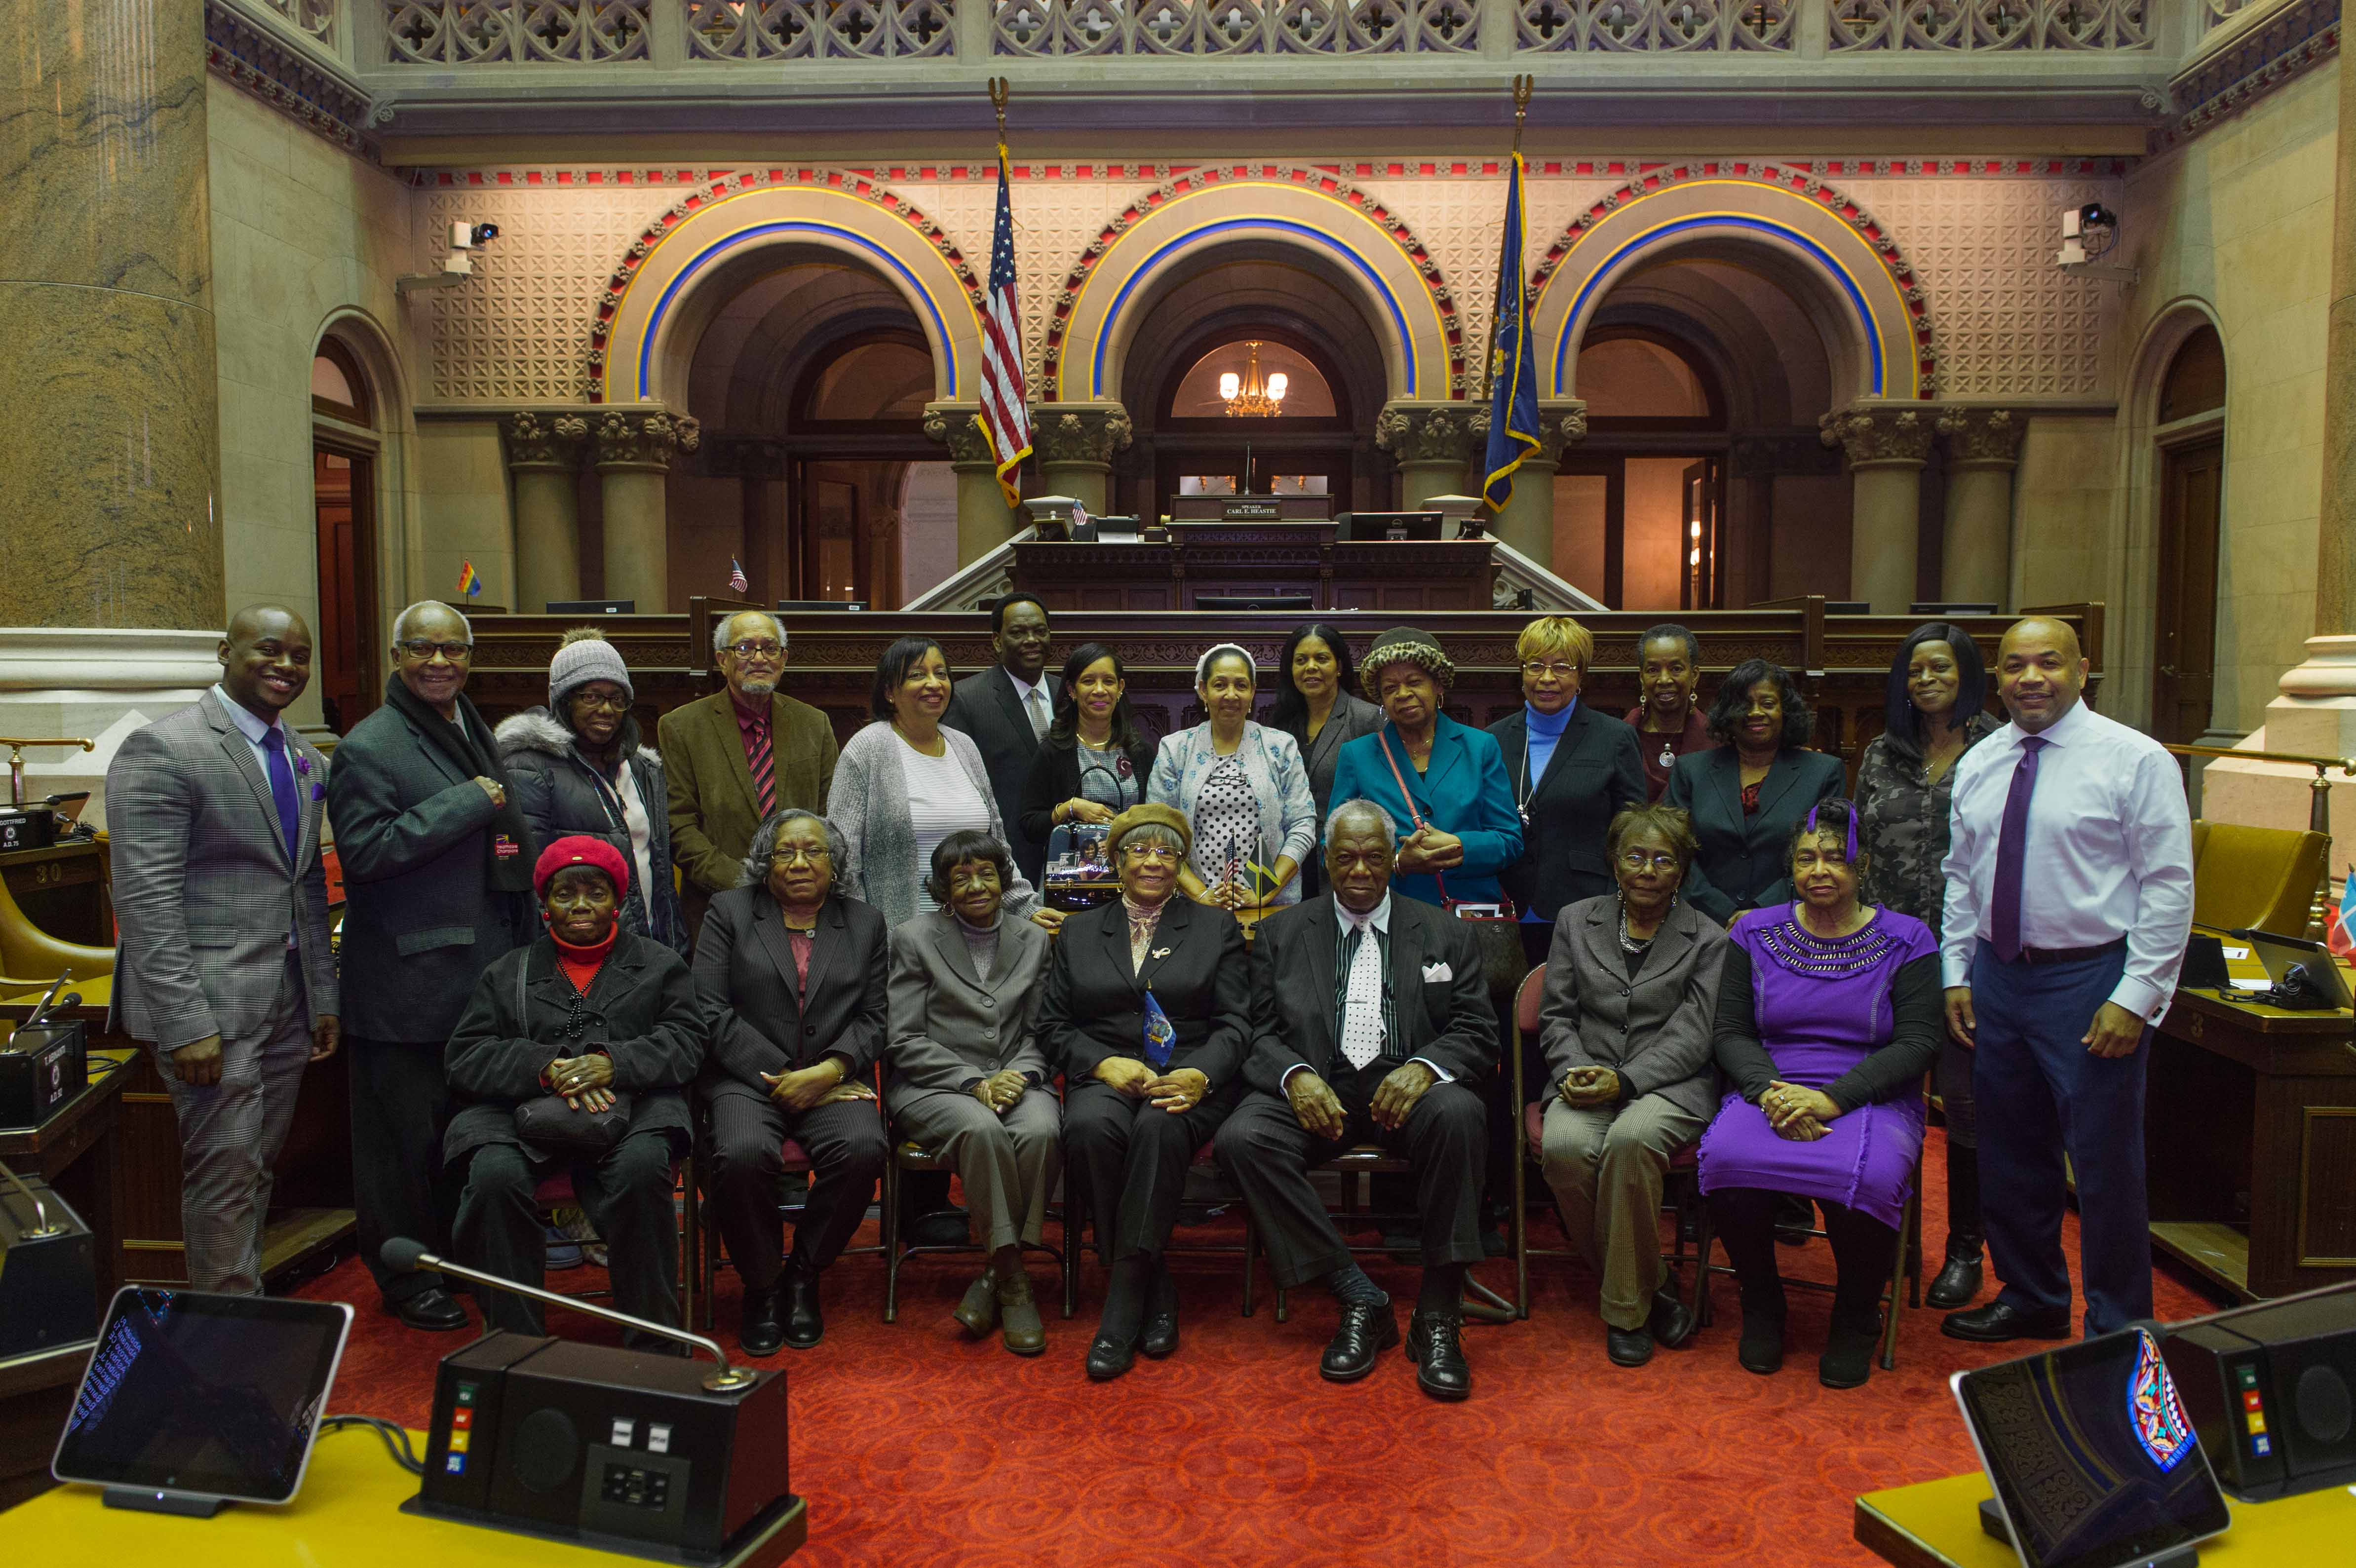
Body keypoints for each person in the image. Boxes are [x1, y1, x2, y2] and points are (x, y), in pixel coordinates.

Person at [1939, 617, 2193, 1343]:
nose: (2030, 678)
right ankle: (2034, 1295)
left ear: (2084, 670)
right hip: (1997, 976)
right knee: (2011, 1149)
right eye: (2014, 666)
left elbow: (2169, 887)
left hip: (2089, 980)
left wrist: (2135, 997)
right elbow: (1961, 875)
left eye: (2048, 663)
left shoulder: (2135, 761)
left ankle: (2117, 1323)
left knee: (2105, 1162)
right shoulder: (1984, 759)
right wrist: (1957, 971)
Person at [1216, 800, 1496, 1401]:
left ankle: (1439, 1313)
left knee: (1463, 1115)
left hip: (1410, 1091)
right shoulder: (1280, 933)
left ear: (1395, 860)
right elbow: (1254, 1031)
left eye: (1374, 856)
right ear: (1326, 861)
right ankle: (1358, 1294)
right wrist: (1293, 1075)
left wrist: (1426, 1067)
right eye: (1346, 858)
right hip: (1318, 1088)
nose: (1361, 870)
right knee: (1243, 1138)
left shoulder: (1445, 930)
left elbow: (1478, 1031)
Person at [106, 605, 340, 1294]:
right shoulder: (166, 748)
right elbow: (145, 901)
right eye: (269, 650)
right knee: (226, 1173)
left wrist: (322, 996)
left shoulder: (302, 756)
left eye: (300, 655)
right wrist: (186, 1024)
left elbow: (308, 889)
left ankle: (239, 1316)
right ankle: (226, 1347)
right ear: (224, 651)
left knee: (253, 1169)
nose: (287, 667)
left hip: (287, 1003)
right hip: (210, 1012)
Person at [327, 600, 537, 1332]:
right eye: (423, 648)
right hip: (406, 985)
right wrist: (468, 803)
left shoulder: (463, 722)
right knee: (400, 1151)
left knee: (457, 1135)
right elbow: (366, 852)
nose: (440, 662)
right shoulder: (368, 746)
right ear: (396, 655)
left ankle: (451, 1261)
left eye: (454, 650)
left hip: (476, 972)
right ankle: (405, 1276)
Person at [1699, 799, 1942, 1388]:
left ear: (1862, 869)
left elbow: (1918, 1043)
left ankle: (1856, 1314)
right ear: (1791, 867)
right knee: (1726, 1157)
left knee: (1876, 1174)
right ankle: (1763, 1301)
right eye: (1807, 858)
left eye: (1837, 857)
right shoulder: (1754, 932)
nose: (1820, 871)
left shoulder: (1909, 939)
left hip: (1873, 1094)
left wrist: (1832, 1100)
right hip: (1771, 1088)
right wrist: (1770, 1095)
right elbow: (1730, 1032)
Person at [444, 838, 704, 1346]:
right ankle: (513, 1342)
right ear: (545, 906)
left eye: (595, 892)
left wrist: (612, 1064)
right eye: (566, 893)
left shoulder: (660, 964)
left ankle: (653, 1343)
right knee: (493, 1177)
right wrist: (547, 1067)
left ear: (618, 902)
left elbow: (688, 1042)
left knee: (641, 1169)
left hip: (635, 1110)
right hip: (519, 1112)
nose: (581, 905)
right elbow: (465, 1056)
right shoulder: (507, 972)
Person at [1037, 803, 1250, 1381]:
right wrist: (1101, 1064)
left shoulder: (1215, 927)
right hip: (1108, 1073)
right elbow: (1053, 1026)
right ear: (1116, 860)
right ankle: (1155, 1284)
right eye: (1139, 850)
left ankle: (1123, 1300)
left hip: (1187, 1074)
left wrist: (1201, 1075)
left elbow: (1237, 1023)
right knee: (1086, 1129)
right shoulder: (1079, 930)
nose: (1153, 862)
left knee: (1158, 1126)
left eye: (1167, 853)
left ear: (1181, 864)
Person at [1536, 802, 1729, 1368]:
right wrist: (1574, 1069)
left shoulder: (1709, 939)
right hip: (1584, 1075)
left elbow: (1695, 1037)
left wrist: (1625, 1082)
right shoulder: (1576, 920)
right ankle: (1659, 1281)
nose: (1647, 869)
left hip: (1671, 1087)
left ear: (1682, 870)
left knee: (1629, 1142)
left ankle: (1625, 1308)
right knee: (1564, 1148)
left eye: (1663, 859)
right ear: (1614, 863)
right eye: (1635, 856)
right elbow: (1555, 1015)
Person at [695, 809, 890, 1355]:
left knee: (863, 1149)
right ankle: (761, 1285)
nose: (801, 862)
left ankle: (804, 1273)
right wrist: (786, 1076)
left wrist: (830, 1070)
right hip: (745, 1076)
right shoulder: (729, 912)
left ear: (836, 863)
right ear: (765, 860)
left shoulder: (865, 922)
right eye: (786, 852)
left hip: (832, 1075)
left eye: (815, 851)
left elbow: (876, 1017)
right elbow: (708, 1011)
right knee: (739, 1154)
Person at [1853, 622, 2002, 1310]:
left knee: (1966, 1105)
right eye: (1914, 670)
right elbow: (1862, 851)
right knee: (1887, 1095)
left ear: (1968, 673)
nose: (1926, 680)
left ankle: (1965, 1249)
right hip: (1890, 956)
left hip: (1973, 957)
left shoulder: (2002, 749)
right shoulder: (1882, 753)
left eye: (1940, 667)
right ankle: (1888, 1241)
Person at [884, 831, 1059, 1355]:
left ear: (1003, 879)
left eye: (986, 874)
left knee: (1044, 1130)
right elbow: (903, 1038)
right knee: (983, 1130)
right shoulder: (913, 938)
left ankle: (992, 1275)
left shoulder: (1034, 939)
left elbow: (1041, 1031)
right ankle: (1015, 1282)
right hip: (934, 1084)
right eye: (960, 878)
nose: (976, 886)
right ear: (943, 888)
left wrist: (1019, 1076)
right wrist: (974, 1083)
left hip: (1017, 1076)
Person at [829, 636, 1054, 930]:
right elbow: (841, 856)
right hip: (898, 936)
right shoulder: (868, 748)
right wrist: (862, 935)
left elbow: (997, 846)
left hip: (976, 931)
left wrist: (1025, 906)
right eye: (917, 675)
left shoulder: (963, 746)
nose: (934, 683)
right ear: (889, 691)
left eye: (942, 674)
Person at [497, 627, 688, 955]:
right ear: (564, 701)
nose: (606, 709)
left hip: (650, 950)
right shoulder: (530, 767)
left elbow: (659, 872)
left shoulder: (643, 769)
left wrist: (673, 946)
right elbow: (528, 882)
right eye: (591, 696)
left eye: (617, 699)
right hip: (575, 956)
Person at [661, 610, 839, 926]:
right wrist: (745, 880)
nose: (759, 658)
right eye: (744, 648)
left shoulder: (815, 724)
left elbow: (830, 816)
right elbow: (680, 826)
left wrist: (802, 876)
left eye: (770, 648)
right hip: (719, 908)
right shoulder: (681, 727)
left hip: (804, 906)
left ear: (783, 659)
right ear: (722, 660)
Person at [1328, 626, 1523, 912]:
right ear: (1381, 699)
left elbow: (1510, 841)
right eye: (1391, 688)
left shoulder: (1481, 747)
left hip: (1469, 912)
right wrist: (1396, 864)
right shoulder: (1357, 755)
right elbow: (1331, 846)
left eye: (1414, 682)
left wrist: (1458, 845)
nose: (1403, 694)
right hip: (1389, 912)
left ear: (1438, 686)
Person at [1489, 614, 1647, 967]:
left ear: (1581, 675)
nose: (1547, 678)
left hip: (1584, 905)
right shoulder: (1493, 738)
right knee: (1506, 1015)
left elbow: (1632, 828)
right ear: (1521, 673)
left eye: (1561, 666)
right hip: (1505, 905)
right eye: (1535, 666)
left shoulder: (1614, 737)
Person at [1664, 659, 1845, 925]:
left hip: (1793, 922)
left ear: (1786, 711)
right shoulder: (1691, 770)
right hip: (1701, 922)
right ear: (1728, 712)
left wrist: (1762, 912)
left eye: (1768, 704)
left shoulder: (1823, 772)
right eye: (1744, 705)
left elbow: (1830, 856)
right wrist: (1725, 913)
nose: (1755, 713)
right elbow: (1673, 852)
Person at [1148, 643, 1316, 913]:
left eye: (1241, 685)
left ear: (1252, 692)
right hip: (1192, 906)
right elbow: (1160, 833)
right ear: (1203, 690)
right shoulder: (1176, 749)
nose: (1231, 694)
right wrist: (1201, 894)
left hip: (1271, 905)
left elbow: (1302, 825)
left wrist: (1262, 890)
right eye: (1220, 685)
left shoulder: (1280, 746)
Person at [943, 593, 1060, 889]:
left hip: (1071, 859)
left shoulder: (1071, 695)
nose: (1032, 640)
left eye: (1040, 631)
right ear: (997, 641)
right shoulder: (967, 699)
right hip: (1003, 861)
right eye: (1018, 633)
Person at [1267, 623, 1384, 898]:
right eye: (1301, 660)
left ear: (1340, 666)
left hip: (1340, 861)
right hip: (1284, 859)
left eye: (1321, 659)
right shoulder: (1279, 725)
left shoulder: (1367, 719)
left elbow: (1382, 799)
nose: (1310, 667)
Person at [1018, 641, 1158, 852]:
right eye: (1089, 681)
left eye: (1108, 681)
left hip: (1133, 874)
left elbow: (1156, 820)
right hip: (1071, 877)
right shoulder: (1054, 752)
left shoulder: (1141, 752)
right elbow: (1030, 826)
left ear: (1120, 688)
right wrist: (1069, 808)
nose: (1100, 690)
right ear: (1072, 690)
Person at [1626, 623, 1712, 803]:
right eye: (1653, 670)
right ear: (1642, 678)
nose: (1664, 680)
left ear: (1694, 676)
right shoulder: (1619, 738)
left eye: (1676, 669)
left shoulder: (1716, 740)